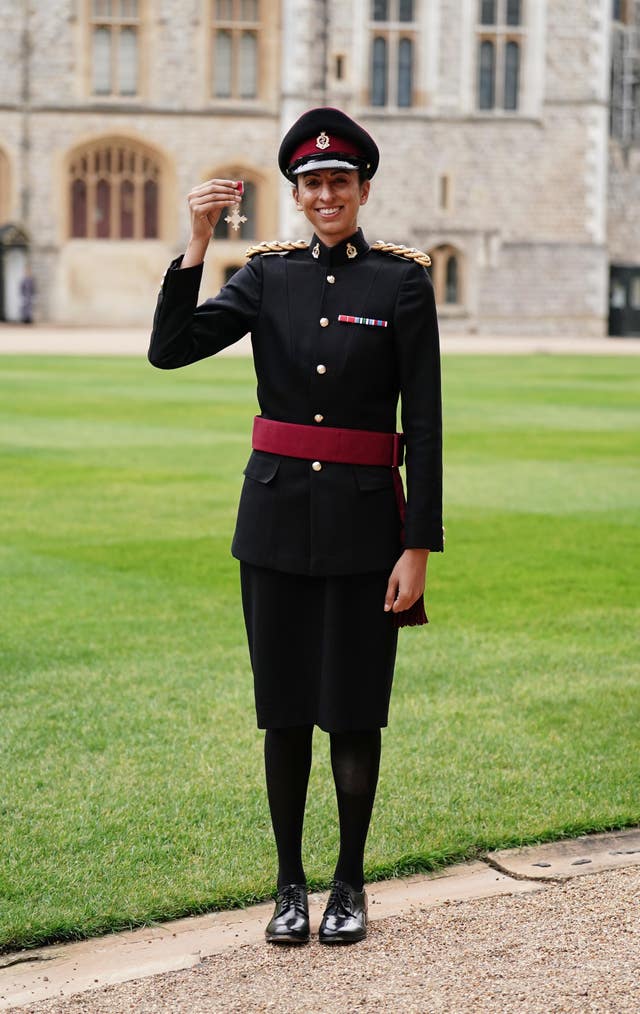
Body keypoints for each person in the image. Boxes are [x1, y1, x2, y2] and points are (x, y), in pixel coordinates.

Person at [148, 107, 443, 946]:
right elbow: (170, 349)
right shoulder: (266, 276)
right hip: (273, 524)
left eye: (339, 183)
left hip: (364, 533)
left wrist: (417, 545)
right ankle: (288, 886)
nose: (325, 195)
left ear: (362, 189)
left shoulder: (401, 282)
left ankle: (349, 884)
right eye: (312, 184)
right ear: (296, 193)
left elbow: (422, 423)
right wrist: (197, 243)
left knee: (353, 711)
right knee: (283, 714)